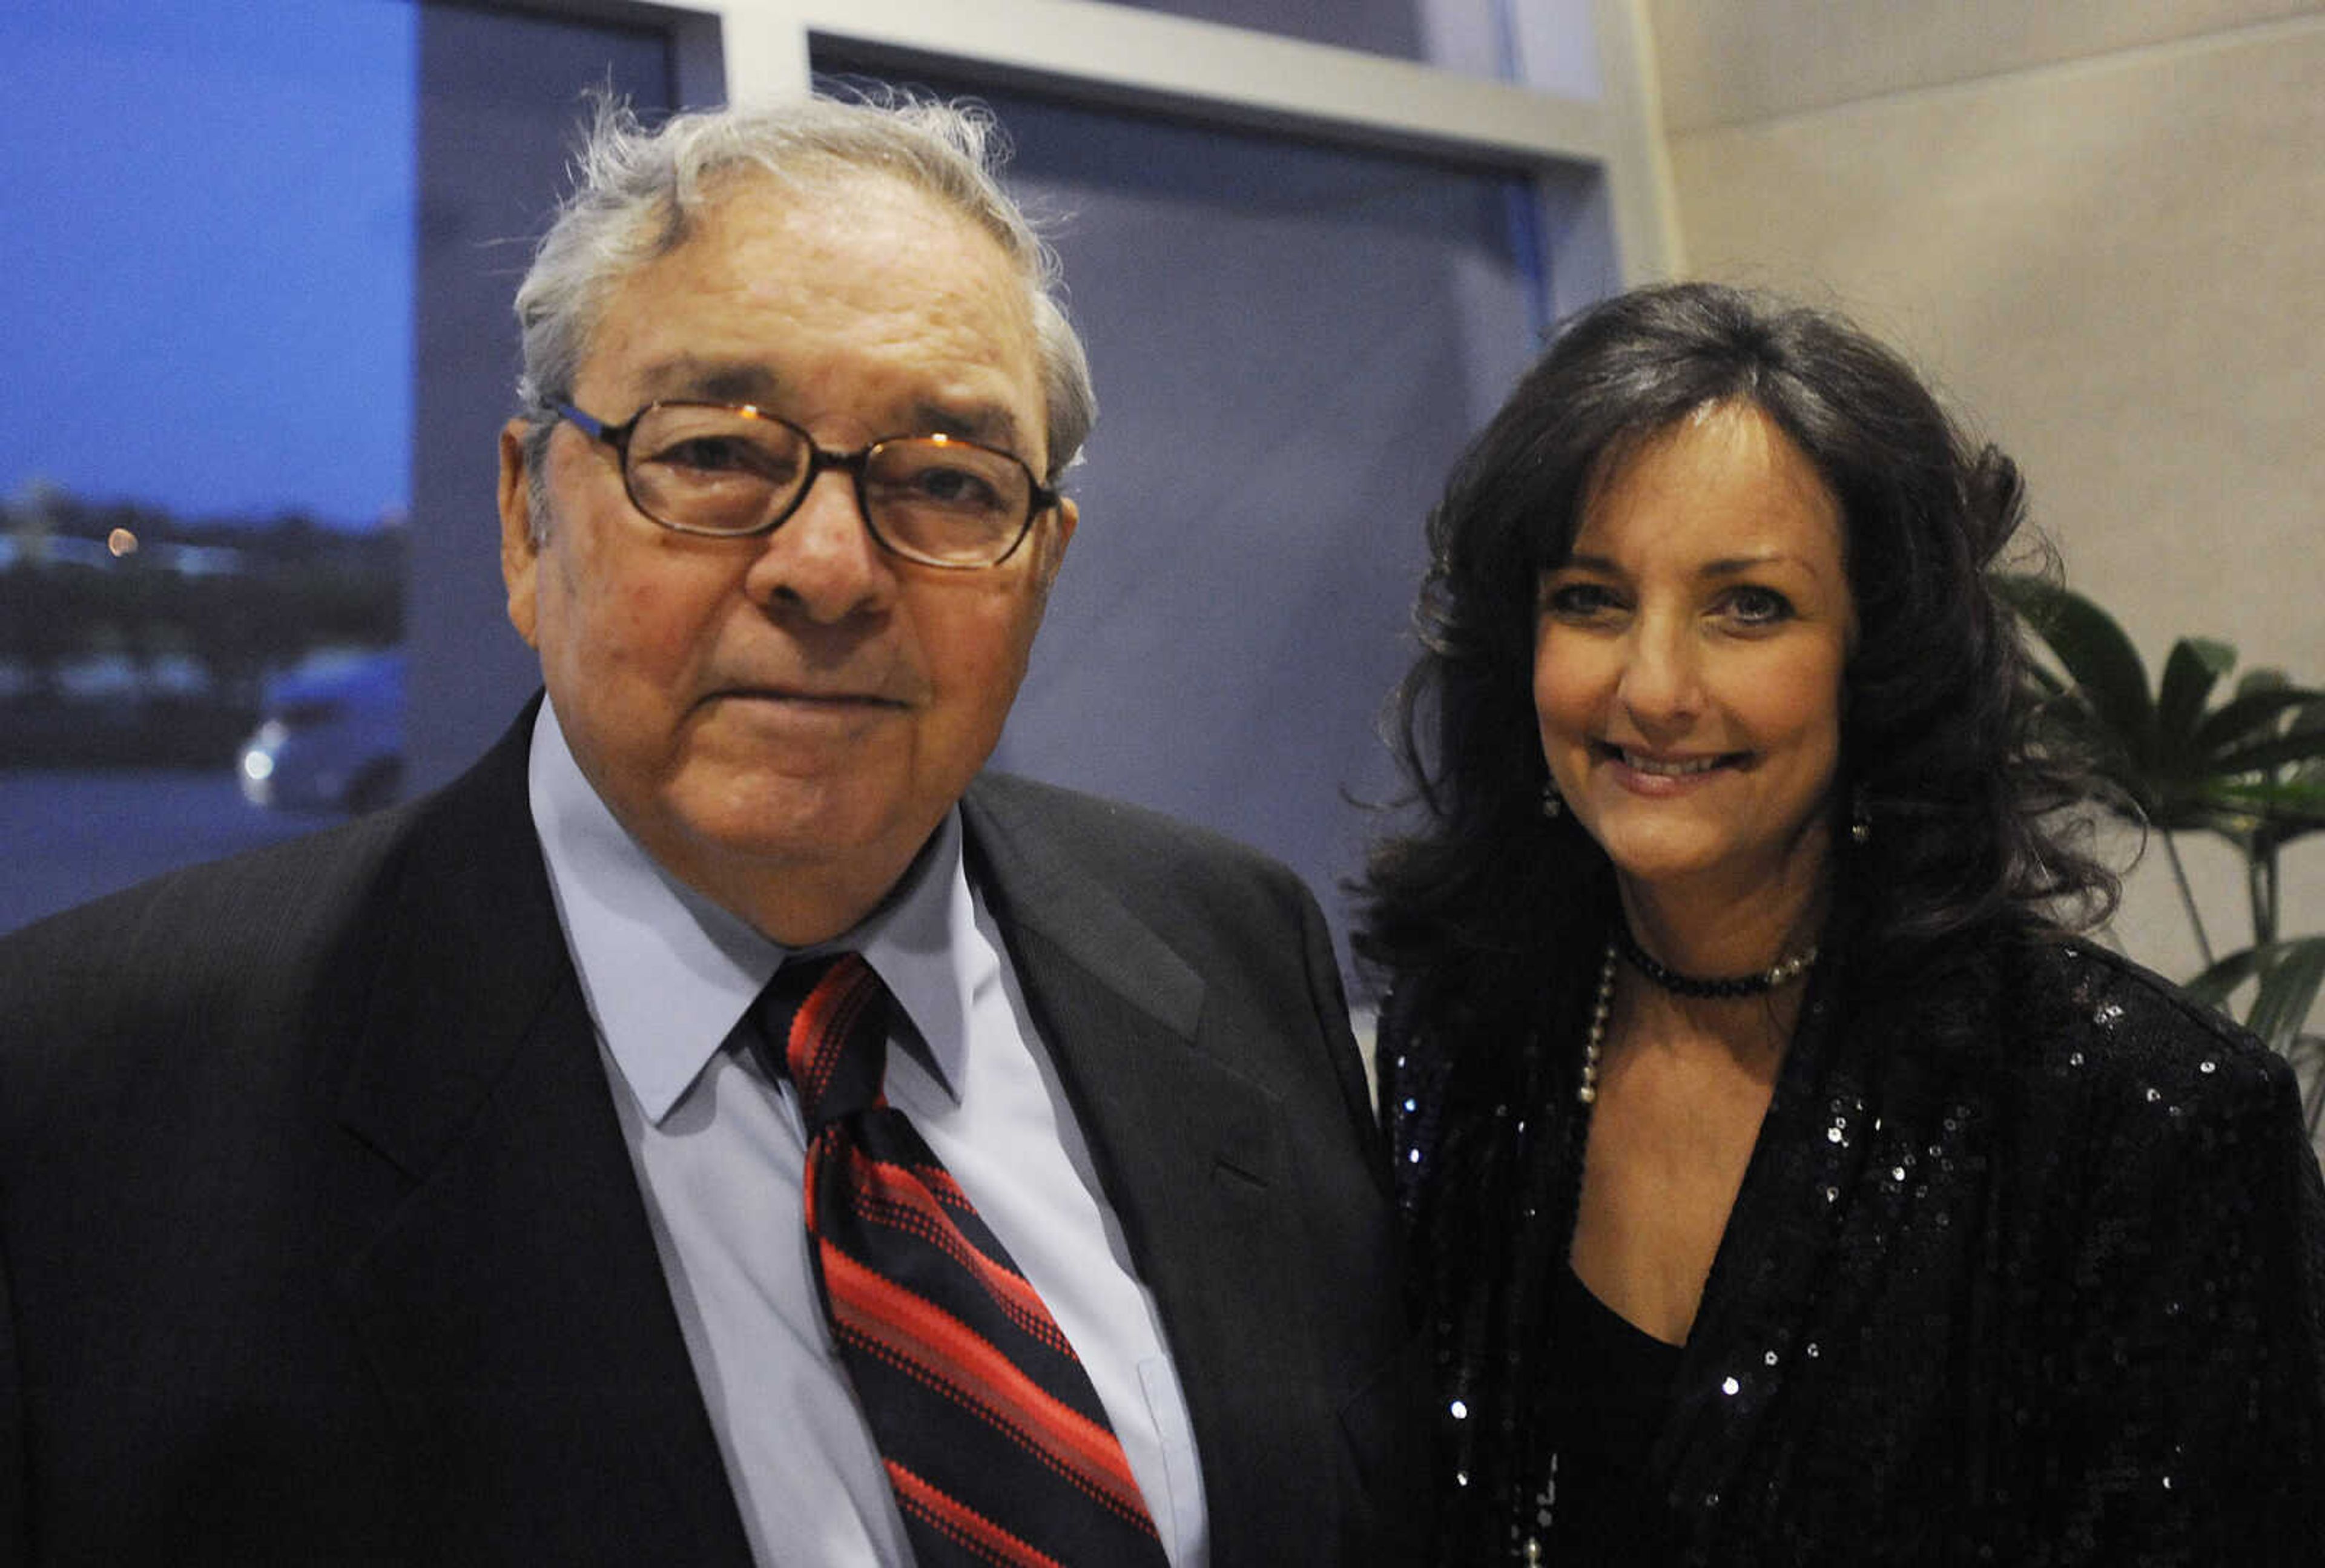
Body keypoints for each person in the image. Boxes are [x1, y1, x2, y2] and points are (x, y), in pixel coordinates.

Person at [0, 94, 1426, 1566]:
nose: (829, 567)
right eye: (714, 455)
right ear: (524, 519)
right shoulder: (87, 1103)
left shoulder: (1234, 947)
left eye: (947, 480)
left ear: (1041, 564)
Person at [1362, 280, 2325, 1565]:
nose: (1654, 686)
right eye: (1591, 597)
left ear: (1882, 660)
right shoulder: (1472, 1036)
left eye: (1748, 605)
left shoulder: (2144, 1118)